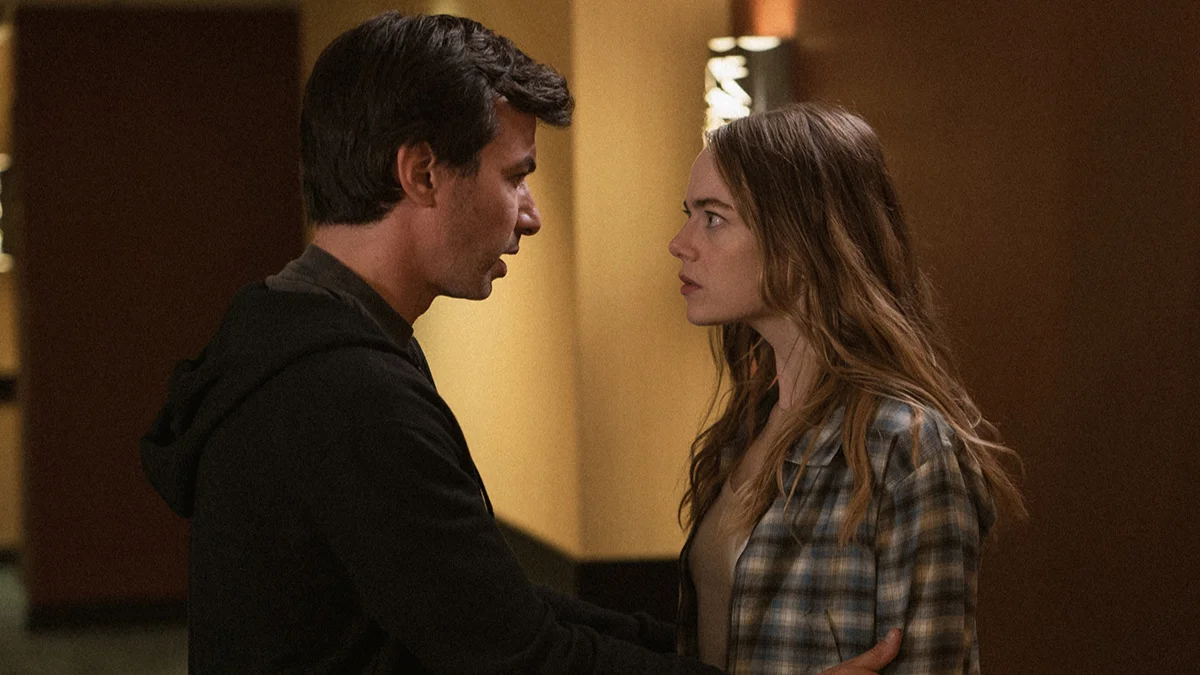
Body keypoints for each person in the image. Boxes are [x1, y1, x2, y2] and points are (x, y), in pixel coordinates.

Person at [139, 13, 900, 675]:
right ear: (422, 174)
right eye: (515, 177)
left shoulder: (304, 337)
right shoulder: (345, 391)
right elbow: (515, 655)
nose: (530, 215)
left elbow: (480, 601)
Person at [669, 102, 1025, 674]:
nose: (680, 242)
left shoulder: (904, 446)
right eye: (688, 214)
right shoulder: (746, 428)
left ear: (799, 236)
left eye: (713, 218)